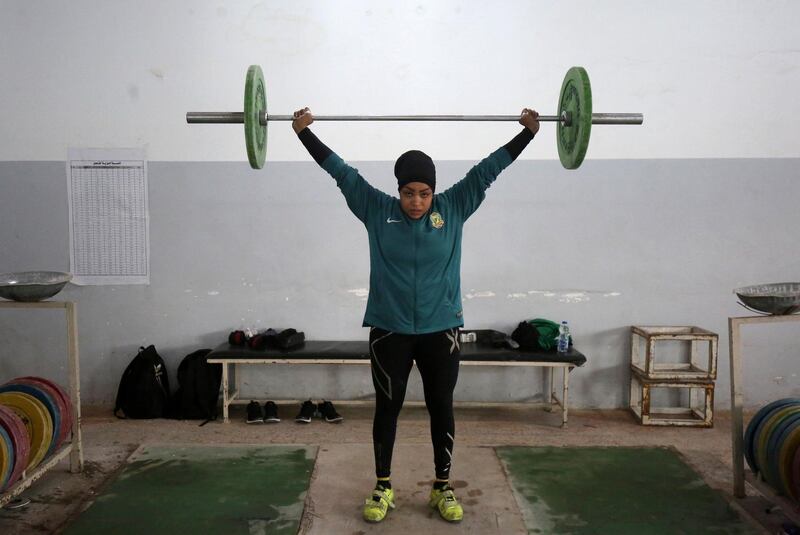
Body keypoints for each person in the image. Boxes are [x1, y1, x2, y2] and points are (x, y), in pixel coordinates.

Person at [292, 107, 540, 523]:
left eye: (424, 193)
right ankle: (383, 486)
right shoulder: (375, 209)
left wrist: (527, 134)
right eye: (409, 193)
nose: (416, 202)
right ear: (399, 190)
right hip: (389, 330)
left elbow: (488, 170)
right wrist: (304, 134)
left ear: (434, 192)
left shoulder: (455, 206)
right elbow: (341, 172)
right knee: (387, 408)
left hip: (441, 330)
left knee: (441, 406)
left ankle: (442, 488)